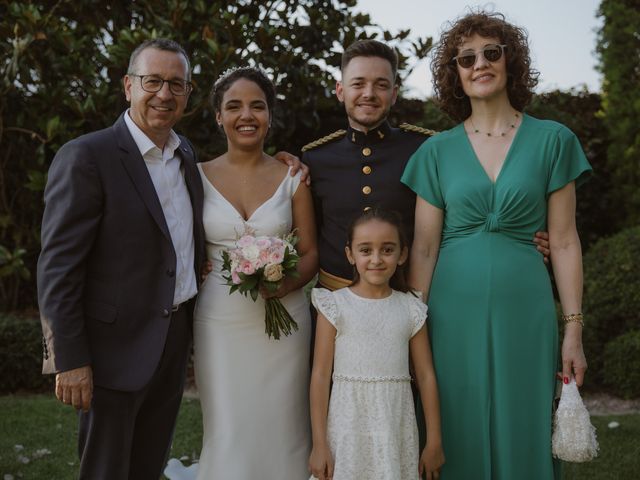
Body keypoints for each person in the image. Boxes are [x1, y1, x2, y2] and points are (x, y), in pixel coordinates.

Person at [402, 11, 591, 479]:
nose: (479, 64)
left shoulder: (553, 141)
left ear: (511, 61)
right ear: (455, 73)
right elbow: (424, 249)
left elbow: (564, 242)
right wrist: (412, 329)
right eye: (466, 58)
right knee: (454, 416)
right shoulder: (435, 151)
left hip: (525, 306)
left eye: (491, 52)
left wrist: (573, 328)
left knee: (523, 415)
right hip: (450, 310)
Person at [37, 39, 206, 479]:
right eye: (153, 81)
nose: (164, 94)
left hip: (171, 341)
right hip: (110, 351)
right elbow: (58, 268)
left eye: (176, 84)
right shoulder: (87, 157)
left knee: (148, 467)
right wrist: (69, 359)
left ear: (188, 93)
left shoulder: (186, 155)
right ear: (128, 85)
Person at [301, 38, 550, 292]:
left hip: (408, 300)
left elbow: (467, 210)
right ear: (340, 90)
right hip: (331, 306)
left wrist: (519, 236)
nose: (369, 94)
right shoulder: (315, 159)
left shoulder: (426, 149)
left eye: (381, 85)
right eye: (358, 84)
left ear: (394, 94)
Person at [192, 66, 318, 480]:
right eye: (234, 106)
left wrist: (286, 283)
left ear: (269, 115)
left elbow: (310, 252)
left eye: (257, 106)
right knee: (228, 424)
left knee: (284, 424)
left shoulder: (293, 177)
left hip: (287, 322)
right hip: (219, 321)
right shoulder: (195, 176)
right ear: (218, 117)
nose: (246, 115)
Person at [308, 208, 445, 480]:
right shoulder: (334, 305)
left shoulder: (410, 308)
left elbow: (426, 376)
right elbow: (321, 376)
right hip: (347, 428)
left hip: (395, 426)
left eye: (387, 249)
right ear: (350, 254)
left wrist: (434, 441)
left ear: (402, 254)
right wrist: (319, 444)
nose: (376, 259)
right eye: (366, 250)